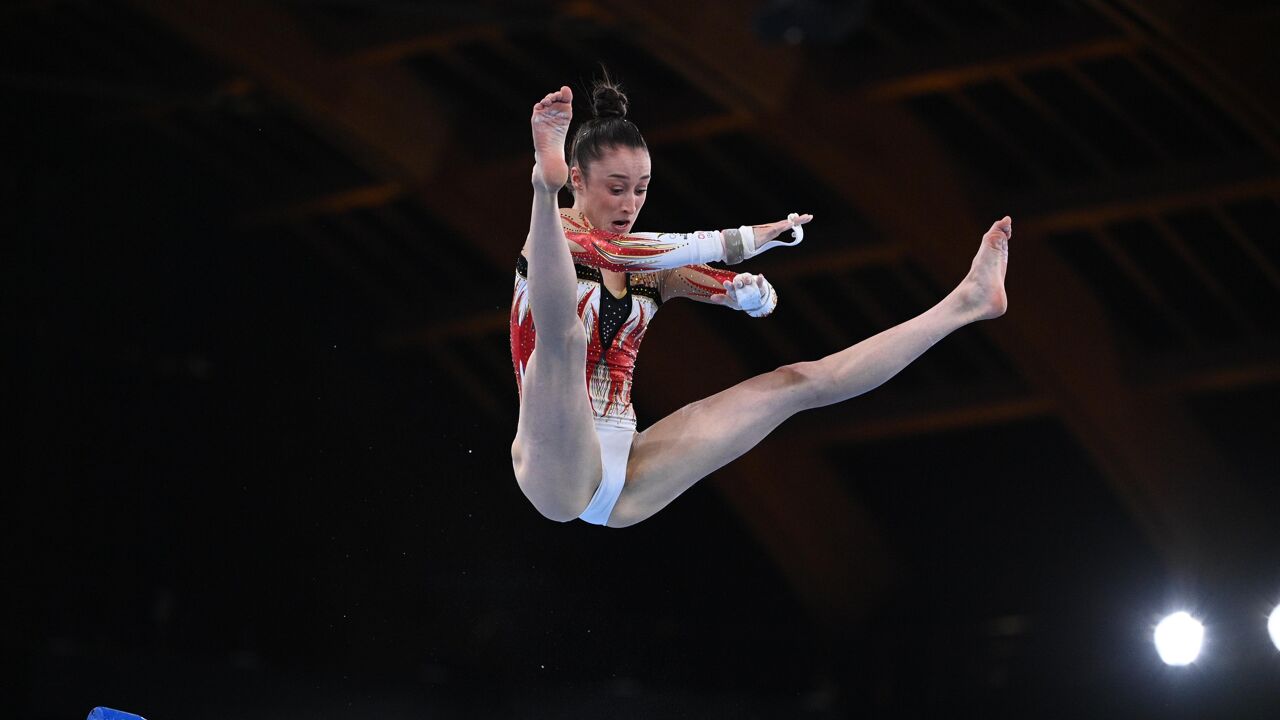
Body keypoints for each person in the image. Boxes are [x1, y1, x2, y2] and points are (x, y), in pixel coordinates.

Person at [510, 79, 1010, 528]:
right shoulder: (553, 243)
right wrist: (742, 240)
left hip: (628, 472)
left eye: (640, 189)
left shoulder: (657, 269)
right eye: (616, 189)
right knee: (565, 341)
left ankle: (966, 303)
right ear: (577, 179)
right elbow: (615, 252)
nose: (629, 204)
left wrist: (747, 294)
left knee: (796, 383)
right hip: (553, 469)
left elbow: (717, 284)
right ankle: (540, 182)